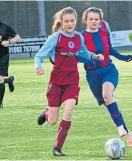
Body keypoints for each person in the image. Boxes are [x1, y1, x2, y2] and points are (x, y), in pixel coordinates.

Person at [35, 7, 104, 156]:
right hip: (56, 81)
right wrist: (38, 68)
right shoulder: (55, 37)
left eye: (72, 21)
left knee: (68, 109)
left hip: (72, 80)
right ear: (61, 22)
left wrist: (94, 56)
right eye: (66, 21)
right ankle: (47, 113)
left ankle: (57, 148)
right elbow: (39, 56)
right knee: (52, 121)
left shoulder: (79, 37)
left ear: (76, 20)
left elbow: (83, 52)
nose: (70, 24)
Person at [81, 7, 132, 148]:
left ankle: (120, 129)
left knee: (107, 95)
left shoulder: (105, 33)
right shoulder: (80, 37)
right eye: (91, 19)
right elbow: (79, 56)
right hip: (92, 75)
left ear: (100, 20)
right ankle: (127, 131)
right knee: (109, 103)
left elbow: (110, 49)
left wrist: (123, 58)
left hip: (108, 70)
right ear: (85, 20)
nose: (94, 21)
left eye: (96, 19)